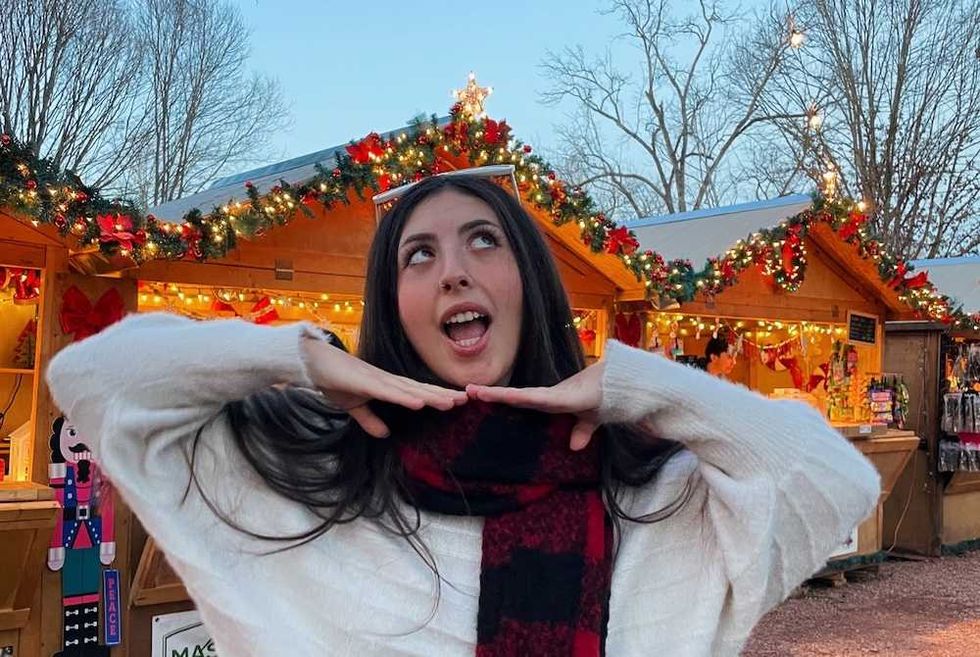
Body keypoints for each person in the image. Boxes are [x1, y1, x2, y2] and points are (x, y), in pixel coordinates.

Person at [46, 175, 880, 657]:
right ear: (391, 302)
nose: (453, 272)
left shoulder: (664, 511)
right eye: (419, 254)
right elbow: (91, 379)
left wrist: (639, 388)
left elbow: (834, 479)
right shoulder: (291, 495)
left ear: (532, 281)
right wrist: (295, 355)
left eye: (484, 240)